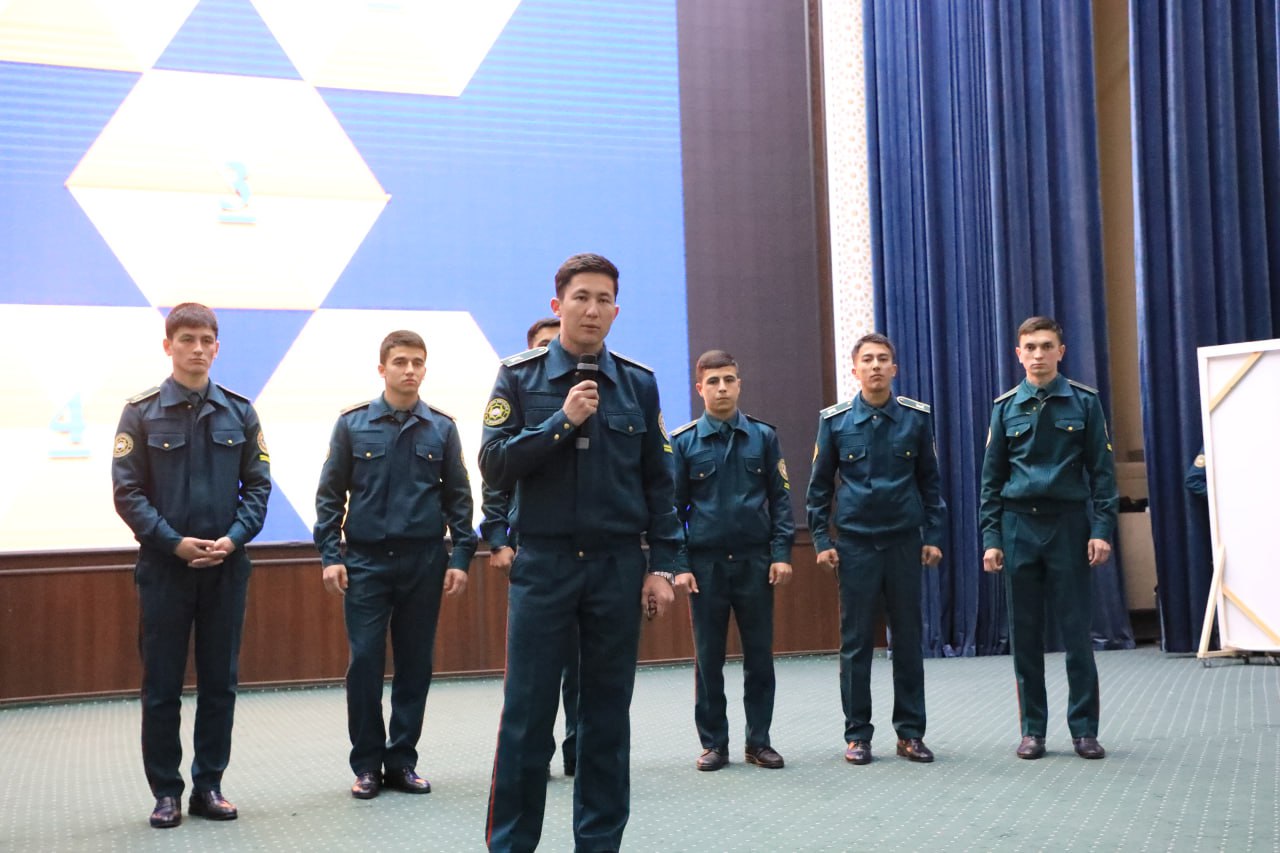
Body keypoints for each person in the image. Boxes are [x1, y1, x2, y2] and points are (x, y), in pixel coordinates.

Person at [481, 253, 681, 852]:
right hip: (544, 565)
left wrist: (663, 565)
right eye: (581, 297)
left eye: (603, 300)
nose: (592, 310)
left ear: (616, 311)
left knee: (606, 718)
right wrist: (560, 423)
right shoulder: (518, 377)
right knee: (527, 717)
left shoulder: (638, 383)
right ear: (558, 305)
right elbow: (494, 464)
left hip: (617, 567)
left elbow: (659, 482)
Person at [111, 302, 271, 828]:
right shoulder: (141, 413)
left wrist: (233, 539)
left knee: (220, 684)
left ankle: (209, 786)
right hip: (165, 570)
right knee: (161, 687)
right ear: (168, 346)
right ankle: (166, 793)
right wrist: (173, 543)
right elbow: (128, 493)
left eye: (206, 340)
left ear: (217, 348)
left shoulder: (240, 412)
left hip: (226, 569)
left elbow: (258, 489)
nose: (197, 349)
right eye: (187, 340)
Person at [314, 330, 477, 799]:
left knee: (415, 664)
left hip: (424, 561)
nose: (410, 370)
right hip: (366, 562)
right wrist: (330, 556)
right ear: (382, 368)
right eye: (401, 361)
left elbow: (459, 498)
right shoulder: (352, 425)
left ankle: (402, 760)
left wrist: (461, 557)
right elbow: (330, 496)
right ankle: (367, 764)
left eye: (417, 362)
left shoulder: (441, 428)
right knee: (365, 662)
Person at [979, 316, 1118, 761]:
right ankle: (1032, 731)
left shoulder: (1084, 402)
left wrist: (1101, 530)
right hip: (1019, 527)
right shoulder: (1005, 408)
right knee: (1025, 635)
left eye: (1046, 346)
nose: (1038, 354)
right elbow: (991, 481)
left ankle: (1084, 730)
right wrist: (992, 538)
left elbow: (1102, 474)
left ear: (1061, 351)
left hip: (1068, 526)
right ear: (1018, 355)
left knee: (1077, 633)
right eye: (1030, 347)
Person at [805, 332, 945, 766]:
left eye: (883, 359)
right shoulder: (835, 422)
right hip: (856, 545)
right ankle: (857, 736)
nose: (876, 366)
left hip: (904, 543)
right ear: (855, 370)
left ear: (894, 369)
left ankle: (910, 734)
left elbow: (931, 483)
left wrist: (933, 536)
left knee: (908, 641)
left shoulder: (916, 419)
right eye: (867, 360)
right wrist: (822, 540)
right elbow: (818, 489)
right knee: (856, 643)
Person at [671, 350, 794, 771]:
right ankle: (714, 744)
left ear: (739, 385)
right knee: (709, 660)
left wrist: (781, 554)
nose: (722, 388)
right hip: (705, 567)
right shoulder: (684, 442)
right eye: (713, 381)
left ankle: (759, 742)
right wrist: (681, 564)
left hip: (755, 563)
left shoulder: (763, 437)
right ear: (699, 388)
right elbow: (673, 511)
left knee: (760, 657)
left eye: (728, 380)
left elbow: (780, 500)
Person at [480, 316, 582, 778]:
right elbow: (496, 479)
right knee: (534, 670)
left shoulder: (595, 391)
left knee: (580, 666)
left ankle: (578, 751)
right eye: (543, 344)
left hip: (586, 553)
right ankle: (535, 756)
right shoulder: (519, 389)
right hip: (532, 550)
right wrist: (498, 539)